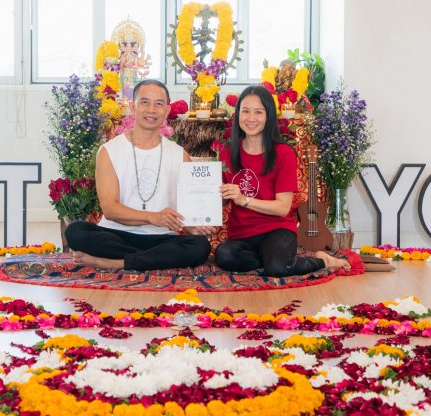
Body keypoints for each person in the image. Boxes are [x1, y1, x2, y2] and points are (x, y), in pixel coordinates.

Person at [65, 79, 214, 271]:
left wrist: (194, 227)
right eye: (145, 102)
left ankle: (115, 262)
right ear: (132, 107)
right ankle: (150, 260)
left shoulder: (180, 155)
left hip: (161, 238)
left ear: (167, 110)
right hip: (116, 234)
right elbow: (110, 209)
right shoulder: (109, 150)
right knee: (76, 231)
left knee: (200, 246)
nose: (151, 109)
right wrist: (153, 217)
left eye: (158, 104)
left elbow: (186, 209)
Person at [215, 85, 350, 276]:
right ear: (237, 115)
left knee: (277, 268)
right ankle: (273, 259)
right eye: (245, 111)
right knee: (224, 255)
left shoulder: (283, 153)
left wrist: (243, 199)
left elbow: (282, 208)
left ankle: (322, 260)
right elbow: (222, 199)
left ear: (268, 116)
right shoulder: (227, 152)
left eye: (258, 112)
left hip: (276, 230)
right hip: (241, 234)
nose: (251, 118)